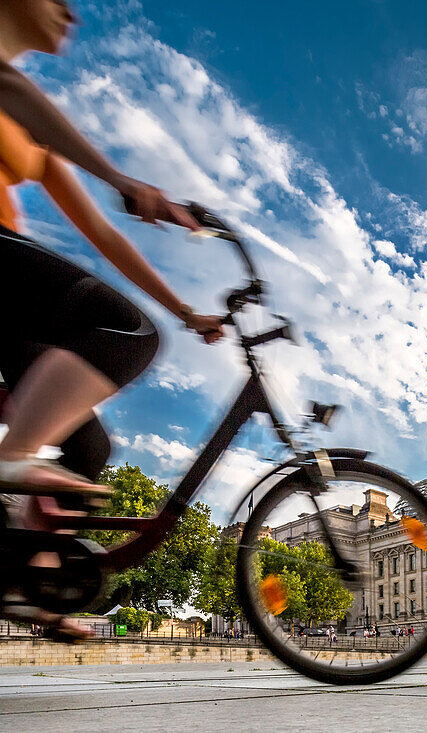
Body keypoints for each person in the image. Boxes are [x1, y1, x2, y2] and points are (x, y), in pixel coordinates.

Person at [0, 0, 223, 643]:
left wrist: (185, 313)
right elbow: (12, 89)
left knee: (89, 448)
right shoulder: (8, 84)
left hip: (3, 301)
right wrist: (120, 176)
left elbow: (102, 236)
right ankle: (11, 459)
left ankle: (28, 584)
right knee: (122, 331)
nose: (70, 11)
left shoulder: (34, 141)